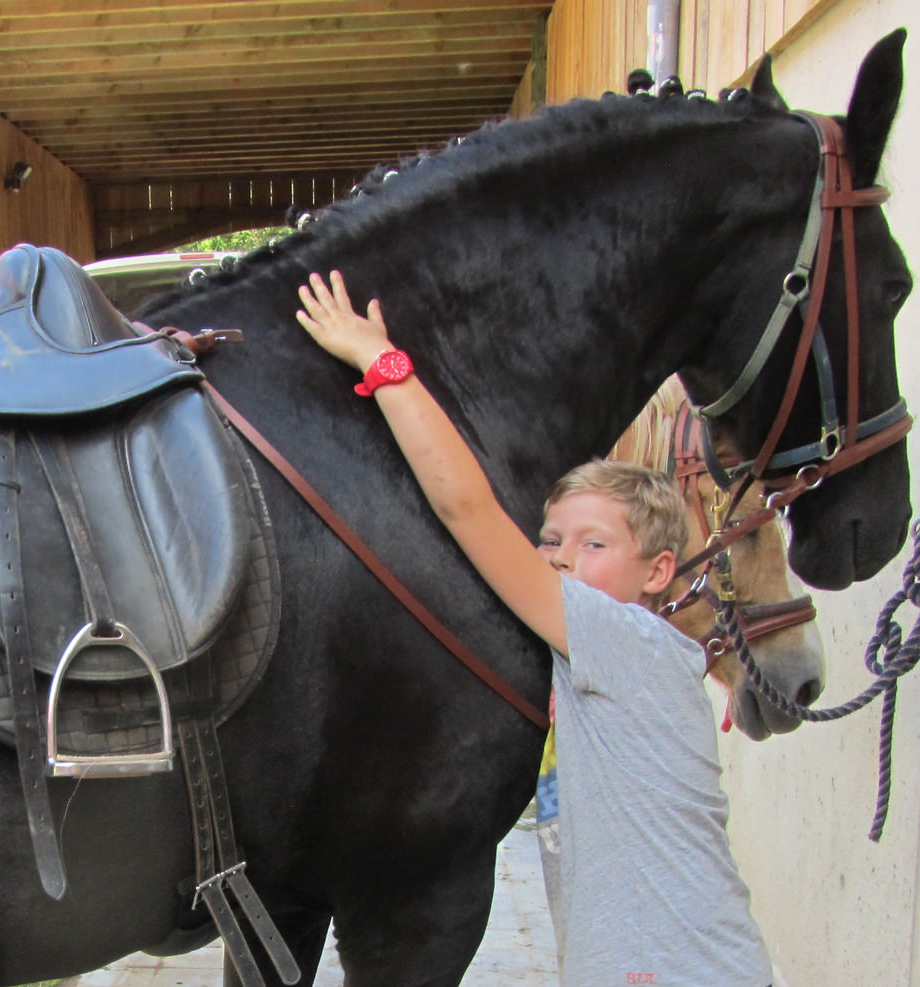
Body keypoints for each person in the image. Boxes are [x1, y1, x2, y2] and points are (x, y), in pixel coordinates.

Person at [294, 270, 772, 987]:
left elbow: (468, 510)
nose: (561, 560)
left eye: (593, 544)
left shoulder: (621, 639)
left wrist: (381, 364)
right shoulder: (633, 655)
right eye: (550, 542)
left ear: (659, 569)